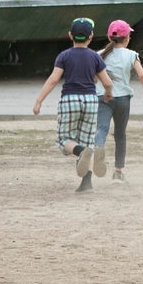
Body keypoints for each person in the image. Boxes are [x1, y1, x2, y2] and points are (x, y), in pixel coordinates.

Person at [32, 18, 114, 193]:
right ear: (91, 36)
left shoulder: (64, 56)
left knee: (63, 141)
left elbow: (54, 80)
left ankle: (81, 151)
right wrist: (108, 93)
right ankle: (86, 183)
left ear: (70, 35)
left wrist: (39, 100)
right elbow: (107, 82)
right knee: (88, 141)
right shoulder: (95, 57)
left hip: (70, 100)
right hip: (91, 101)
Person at [94, 19, 143, 182]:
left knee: (101, 128)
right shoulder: (131, 55)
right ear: (127, 38)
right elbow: (142, 75)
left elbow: (93, 77)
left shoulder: (99, 55)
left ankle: (98, 149)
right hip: (122, 99)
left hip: (102, 97)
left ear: (109, 38)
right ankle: (118, 172)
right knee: (120, 134)